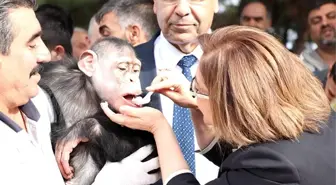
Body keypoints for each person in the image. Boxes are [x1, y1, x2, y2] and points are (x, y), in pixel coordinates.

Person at [101, 25, 336, 185]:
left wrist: (160, 128)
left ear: (234, 103)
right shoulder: (322, 123)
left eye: (198, 88)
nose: (191, 90)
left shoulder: (273, 168)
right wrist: (196, 103)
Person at [0, 0, 159, 184]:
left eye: (41, 40)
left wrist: (92, 126)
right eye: (31, 44)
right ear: (89, 64)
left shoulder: (41, 101)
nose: (46, 54)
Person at [134, 0, 220, 183]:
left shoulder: (246, 66)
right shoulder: (125, 64)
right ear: (155, 4)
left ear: (216, 3)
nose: (181, 9)